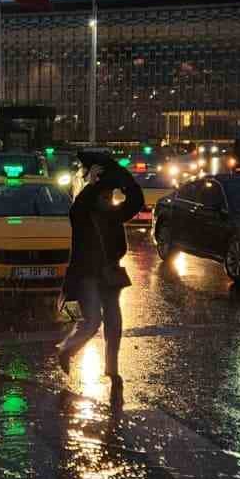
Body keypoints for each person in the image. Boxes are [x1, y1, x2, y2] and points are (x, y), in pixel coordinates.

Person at [55, 150, 143, 388]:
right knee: (93, 320)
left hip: (110, 272)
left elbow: (137, 202)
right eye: (103, 193)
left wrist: (124, 180)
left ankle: (112, 368)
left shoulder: (113, 212)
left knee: (114, 321)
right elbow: (79, 206)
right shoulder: (81, 211)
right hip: (87, 275)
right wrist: (92, 183)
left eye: (108, 193)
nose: (107, 196)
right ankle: (66, 349)